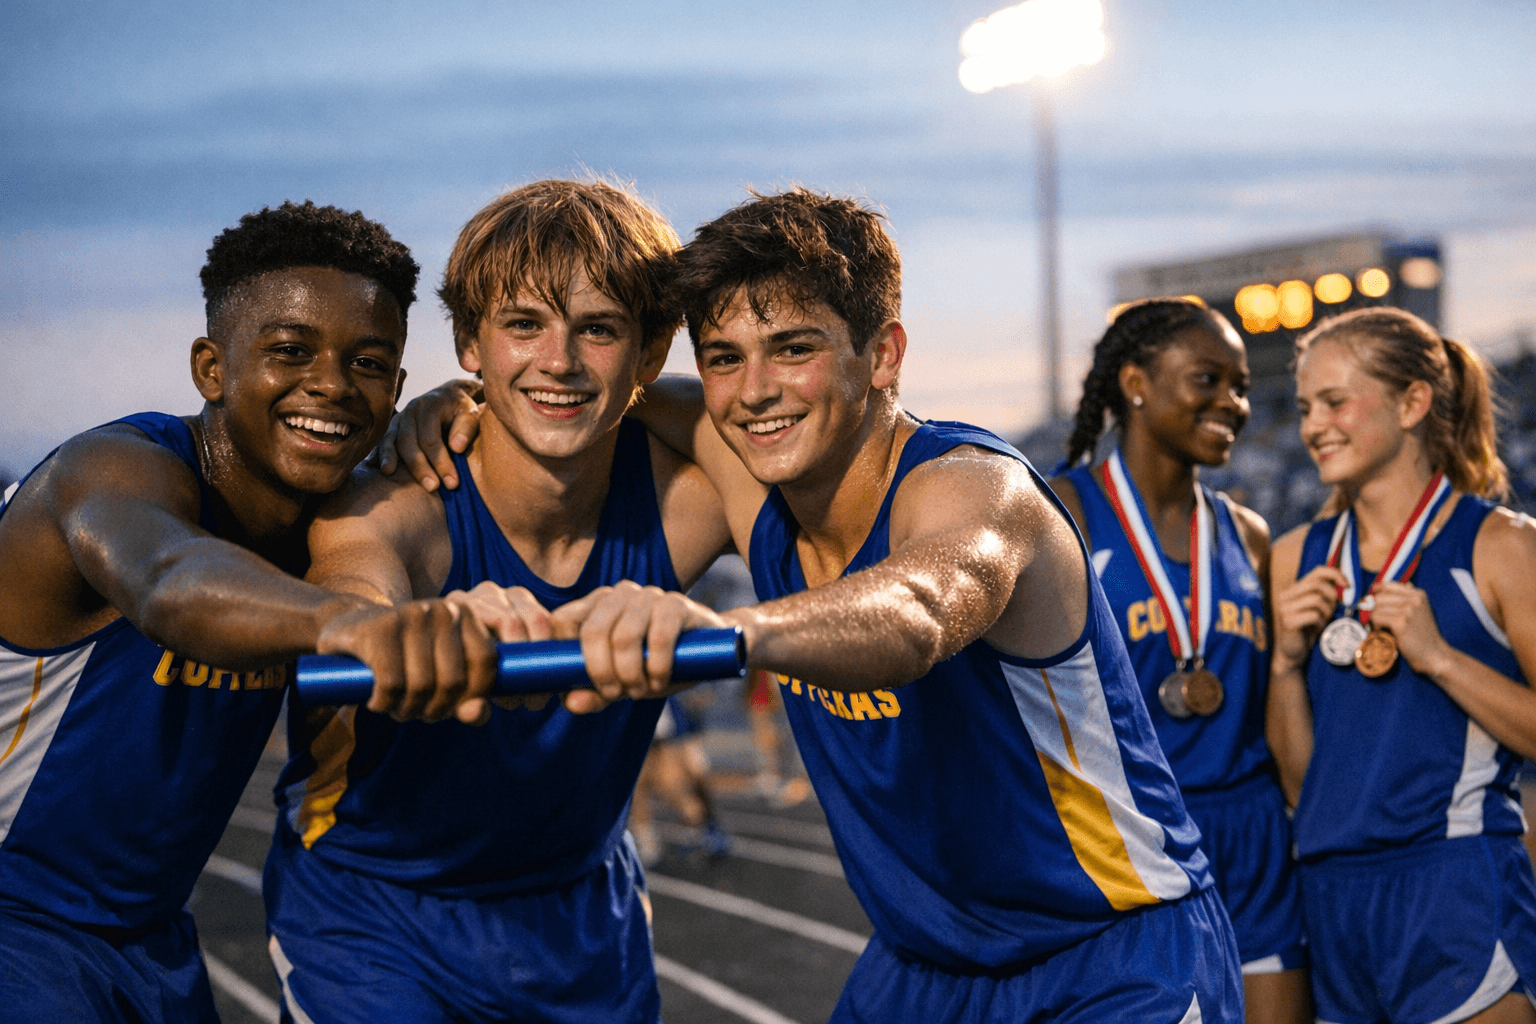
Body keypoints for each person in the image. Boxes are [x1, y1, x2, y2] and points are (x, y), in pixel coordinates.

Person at [390, 188, 1244, 1022]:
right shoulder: (758, 484)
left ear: (883, 354)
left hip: (1107, 956)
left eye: (793, 348)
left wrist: (727, 632)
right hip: (922, 968)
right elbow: (600, 397)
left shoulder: (976, 486)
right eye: (723, 357)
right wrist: (459, 398)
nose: (754, 390)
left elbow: (918, 608)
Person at [0, 201, 502, 1023]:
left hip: (149, 939)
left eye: (369, 364)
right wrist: (358, 626)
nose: (333, 384)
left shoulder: (337, 507)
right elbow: (169, 578)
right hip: (16, 921)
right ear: (211, 368)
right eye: (291, 352)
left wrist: (463, 406)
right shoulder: (108, 472)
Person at [263, 180, 734, 1024]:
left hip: (582, 906)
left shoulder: (689, 504)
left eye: (598, 329)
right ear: (467, 343)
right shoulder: (396, 502)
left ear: (653, 348)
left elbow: (807, 453)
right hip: (374, 909)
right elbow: (348, 592)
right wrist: (405, 626)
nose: (558, 359)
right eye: (523, 325)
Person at [1269, 307, 1536, 1024]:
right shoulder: (1295, 558)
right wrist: (1286, 668)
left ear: (1413, 402)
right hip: (1329, 892)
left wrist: (1441, 658)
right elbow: (1307, 783)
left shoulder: (1501, 545)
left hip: (1454, 881)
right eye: (1303, 408)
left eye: (1334, 401)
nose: (1313, 425)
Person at [1048, 299, 1310, 1023]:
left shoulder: (1250, 535)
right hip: (1132, 842)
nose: (1234, 402)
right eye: (1208, 379)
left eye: (1241, 386)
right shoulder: (1061, 516)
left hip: (1253, 833)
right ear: (1135, 382)